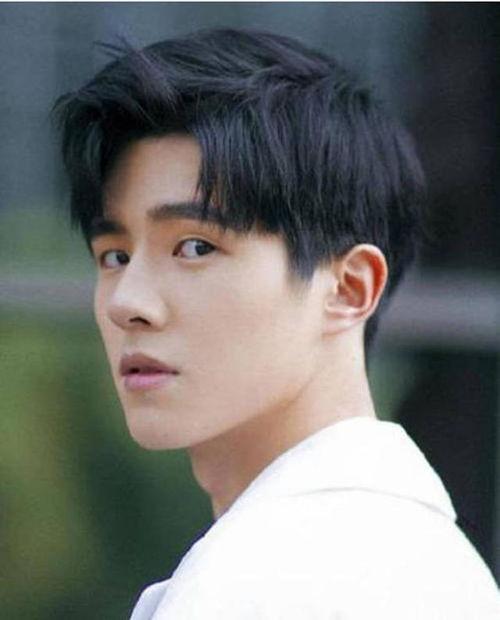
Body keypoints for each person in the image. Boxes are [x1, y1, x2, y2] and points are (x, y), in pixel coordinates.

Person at [54, 28, 499, 619]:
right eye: (115, 255)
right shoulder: (430, 558)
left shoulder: (265, 582)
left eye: (194, 247)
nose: (126, 302)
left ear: (349, 288)